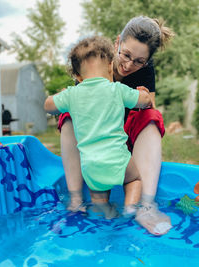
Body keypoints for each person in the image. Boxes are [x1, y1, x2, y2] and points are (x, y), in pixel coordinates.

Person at [58, 16, 174, 235]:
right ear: (117, 42)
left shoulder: (145, 71)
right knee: (67, 114)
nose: (129, 65)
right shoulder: (95, 64)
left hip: (123, 143)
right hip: (93, 144)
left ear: (147, 61)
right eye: (126, 55)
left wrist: (144, 98)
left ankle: (146, 207)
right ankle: (76, 200)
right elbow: (78, 106)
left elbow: (150, 111)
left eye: (140, 61)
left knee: (152, 115)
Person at [44, 36, 152, 222]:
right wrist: (144, 94)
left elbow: (48, 106)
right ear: (111, 66)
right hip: (118, 160)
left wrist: (60, 95)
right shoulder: (117, 89)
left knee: (100, 199)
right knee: (134, 180)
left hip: (91, 167)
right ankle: (130, 208)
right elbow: (144, 102)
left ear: (78, 76)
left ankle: (106, 211)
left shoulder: (72, 94)